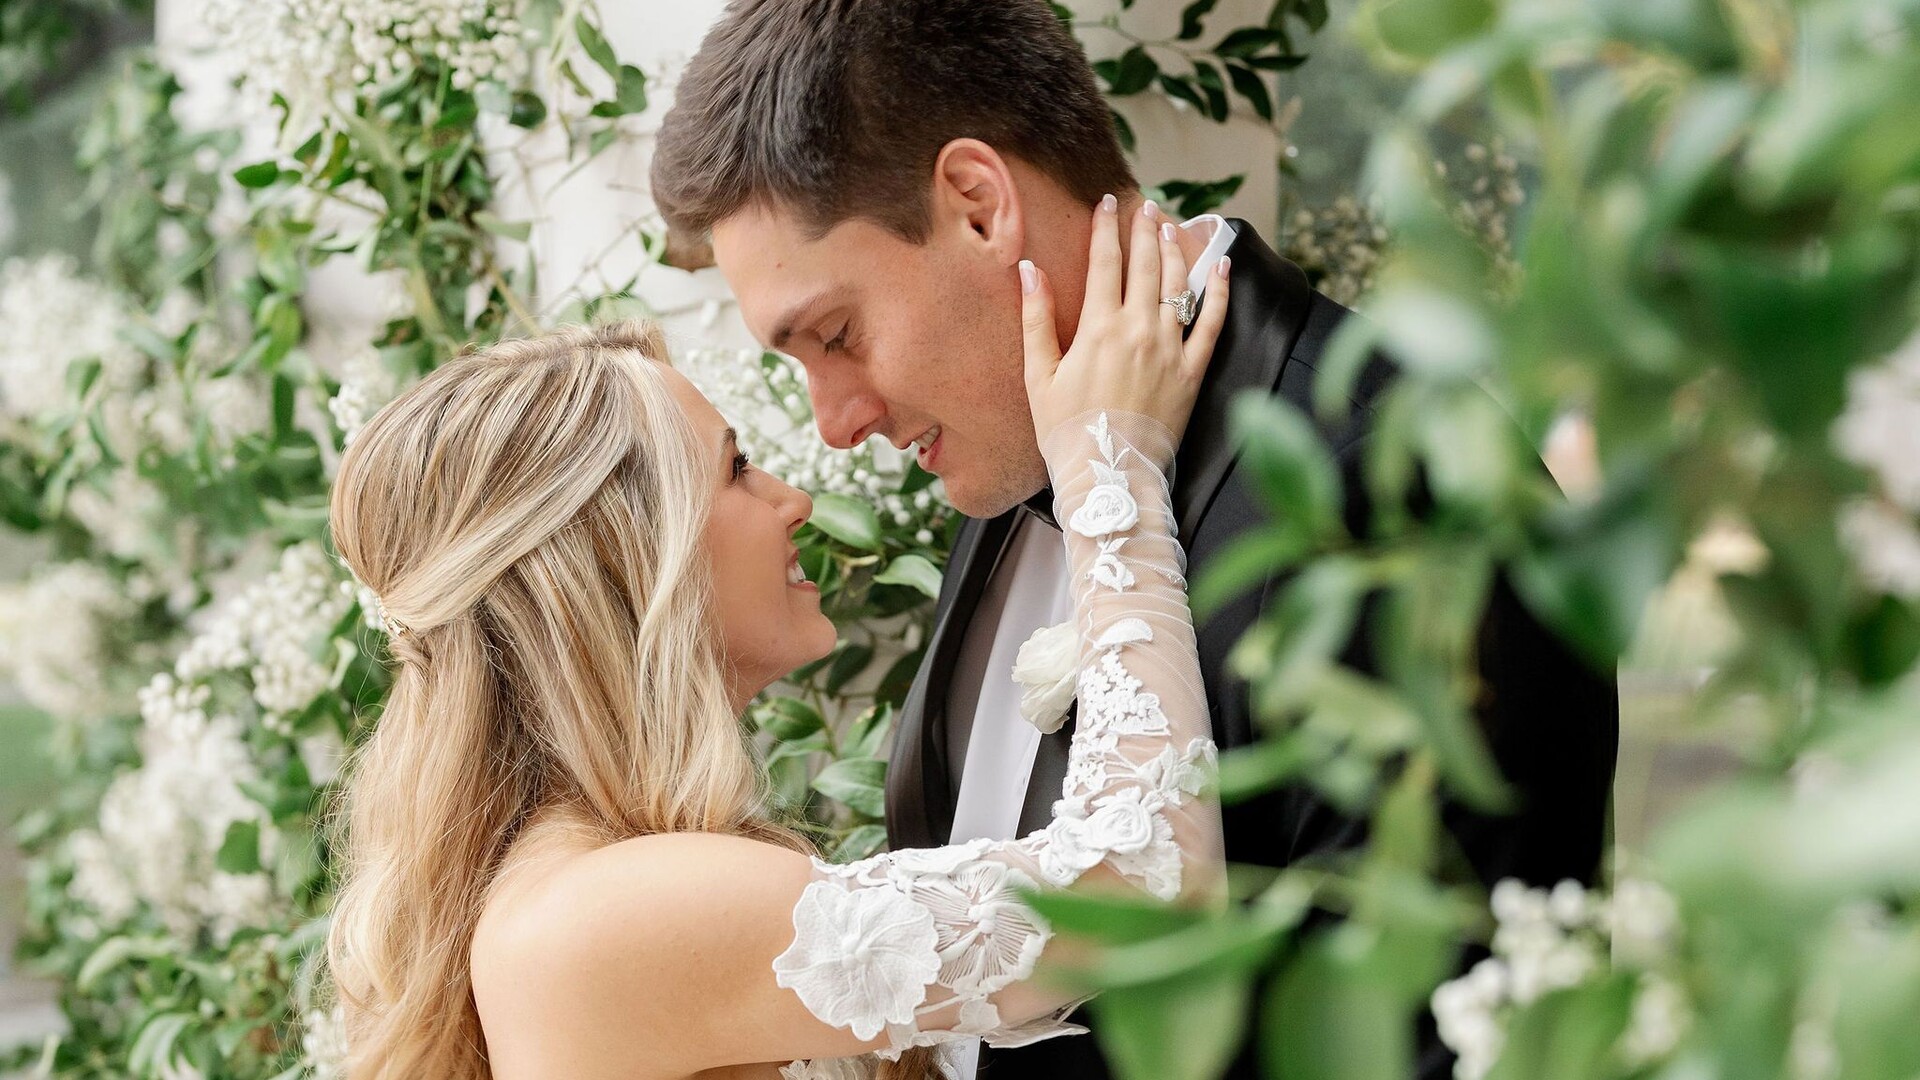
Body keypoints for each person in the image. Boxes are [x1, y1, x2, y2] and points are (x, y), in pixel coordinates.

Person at [650, 2, 1621, 1078]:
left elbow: (1446, 1034)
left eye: (837, 335)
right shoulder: (1008, 451)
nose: (835, 423)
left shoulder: (1404, 477)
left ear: (978, 206)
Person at [324, 206, 1230, 1079]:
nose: (794, 500)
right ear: (630, 559)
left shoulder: (585, 885)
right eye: (736, 469)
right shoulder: (596, 913)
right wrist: (1110, 464)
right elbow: (1143, 888)